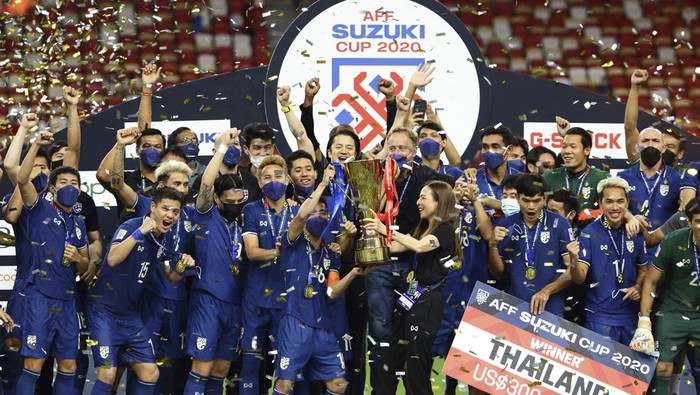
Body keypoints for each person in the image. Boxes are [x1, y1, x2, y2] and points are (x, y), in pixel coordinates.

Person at [364, 127, 453, 394]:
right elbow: (399, 246)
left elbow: (418, 248)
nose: (418, 202)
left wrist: (385, 230)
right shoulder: (421, 227)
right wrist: (372, 242)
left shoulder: (445, 229)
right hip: (413, 293)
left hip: (428, 298)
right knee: (395, 347)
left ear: (439, 202)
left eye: (423, 198)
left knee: (416, 360)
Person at [87, 187, 194, 395]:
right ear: (153, 207)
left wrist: (183, 267)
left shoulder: (164, 238)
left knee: (150, 373)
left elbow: (171, 277)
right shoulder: (131, 226)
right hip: (104, 312)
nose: (170, 215)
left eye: (176, 211)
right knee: (108, 374)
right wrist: (140, 232)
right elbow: (112, 258)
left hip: (130, 316)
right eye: (166, 208)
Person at [272, 165, 363, 395]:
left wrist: (352, 274)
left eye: (323, 213)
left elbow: (332, 292)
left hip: (324, 327)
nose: (318, 216)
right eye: (315, 211)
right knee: (285, 385)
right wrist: (322, 184)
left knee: (338, 385)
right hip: (295, 322)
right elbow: (302, 214)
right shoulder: (291, 240)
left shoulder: (330, 252)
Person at [14, 131, 89, 394]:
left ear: (80, 189)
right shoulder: (38, 208)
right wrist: (35, 144)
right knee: (33, 364)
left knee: (69, 365)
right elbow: (22, 179)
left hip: (68, 301)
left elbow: (85, 267)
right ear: (53, 188)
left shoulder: (79, 224)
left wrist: (78, 258)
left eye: (74, 182)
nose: (69, 186)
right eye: (64, 182)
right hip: (39, 297)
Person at [184, 129, 247, 394]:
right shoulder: (206, 215)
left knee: (221, 370)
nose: (234, 204)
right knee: (202, 368)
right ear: (219, 200)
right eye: (229, 201)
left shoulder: (244, 223)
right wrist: (221, 146)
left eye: (238, 200)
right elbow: (207, 183)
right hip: (207, 299)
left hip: (235, 303)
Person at [240, 155, 298, 394]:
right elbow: (252, 252)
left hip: (288, 301)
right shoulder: (251, 210)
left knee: (284, 366)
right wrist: (277, 251)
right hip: (256, 299)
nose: (272, 181)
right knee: (250, 363)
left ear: (287, 179)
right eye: (266, 177)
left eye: (277, 176)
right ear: (260, 183)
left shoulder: (300, 211)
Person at [631, 198, 700, 395]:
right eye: (698, 221)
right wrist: (644, 321)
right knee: (662, 367)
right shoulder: (673, 241)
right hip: (672, 311)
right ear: (689, 222)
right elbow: (651, 282)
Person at [569, 177, 650, 344]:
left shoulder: (635, 232)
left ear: (627, 203)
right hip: (600, 316)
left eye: (620, 201)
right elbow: (579, 278)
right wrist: (573, 260)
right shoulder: (589, 233)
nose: (615, 207)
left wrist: (638, 286)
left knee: (630, 370)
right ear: (600, 203)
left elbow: (643, 270)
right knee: (601, 369)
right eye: (609, 201)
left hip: (630, 316)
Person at [432, 178, 492, 395]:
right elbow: (434, 228)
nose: (463, 190)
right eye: (458, 186)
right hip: (444, 290)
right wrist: (452, 201)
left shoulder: (478, 210)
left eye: (467, 186)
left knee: (474, 356)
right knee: (432, 352)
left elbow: (489, 235)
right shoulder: (441, 214)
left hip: (474, 292)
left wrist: (476, 201)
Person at [488, 174, 574, 316]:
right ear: (517, 198)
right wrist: (492, 247)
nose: (531, 207)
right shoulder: (506, 224)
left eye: (536, 201)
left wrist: (547, 290)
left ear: (545, 199)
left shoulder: (559, 224)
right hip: (514, 306)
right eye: (526, 201)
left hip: (551, 307)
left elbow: (573, 269)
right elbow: (498, 273)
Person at [617, 127, 694, 231]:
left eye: (655, 141)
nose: (650, 145)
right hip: (631, 241)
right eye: (645, 141)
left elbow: (686, 212)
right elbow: (613, 208)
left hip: (666, 244)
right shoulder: (622, 177)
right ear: (637, 148)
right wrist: (629, 217)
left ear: (663, 148)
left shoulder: (678, 179)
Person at [542, 127, 610, 211]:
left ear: (587, 150)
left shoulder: (601, 179)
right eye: (564, 146)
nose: (567, 151)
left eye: (573, 147)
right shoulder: (549, 177)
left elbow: (614, 206)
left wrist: (630, 218)